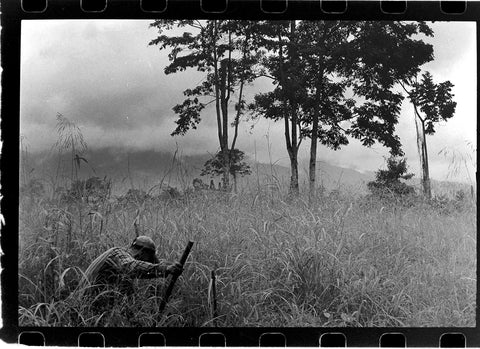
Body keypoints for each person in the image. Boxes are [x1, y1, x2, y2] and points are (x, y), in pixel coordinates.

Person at [77, 236, 182, 311]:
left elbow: (141, 273)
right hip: (83, 308)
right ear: (142, 253)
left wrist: (165, 271)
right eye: (148, 259)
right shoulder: (117, 253)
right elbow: (132, 267)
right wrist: (165, 269)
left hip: (88, 308)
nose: (148, 262)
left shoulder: (120, 268)